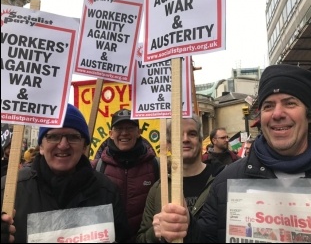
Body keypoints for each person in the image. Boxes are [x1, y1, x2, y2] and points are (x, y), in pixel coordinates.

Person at [156, 64, 311, 243]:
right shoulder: (226, 181)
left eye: (290, 103)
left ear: (310, 115)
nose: (277, 114)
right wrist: (186, 229)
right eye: (268, 106)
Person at [1, 104, 129, 243]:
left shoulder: (107, 191)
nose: (63, 145)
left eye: (73, 137)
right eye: (53, 136)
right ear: (41, 147)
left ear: (84, 147)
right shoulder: (9, 190)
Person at [136, 115, 225, 243]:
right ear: (168, 145)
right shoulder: (158, 189)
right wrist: (157, 233)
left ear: (200, 142)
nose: (185, 139)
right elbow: (141, 239)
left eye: (192, 134)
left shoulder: (220, 180)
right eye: (178, 135)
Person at [91, 108, 158, 242]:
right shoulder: (96, 168)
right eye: (119, 128)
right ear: (110, 133)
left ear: (139, 132)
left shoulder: (156, 165)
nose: (124, 133)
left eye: (130, 128)